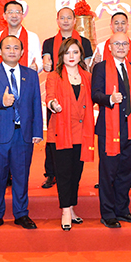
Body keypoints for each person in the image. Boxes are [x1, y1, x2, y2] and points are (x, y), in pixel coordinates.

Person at [0, 35, 43, 231]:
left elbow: (36, 104)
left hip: (22, 135)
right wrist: (1, 100)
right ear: (0, 51)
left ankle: (21, 213)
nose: (12, 51)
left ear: (22, 52)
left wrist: (37, 131)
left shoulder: (31, 75)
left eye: (16, 48)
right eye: (7, 48)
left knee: (21, 176)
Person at [92, 33, 131, 228]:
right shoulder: (101, 68)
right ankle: (107, 213)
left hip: (130, 128)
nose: (121, 47)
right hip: (109, 128)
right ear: (110, 47)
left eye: (124, 44)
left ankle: (122, 210)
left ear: (129, 47)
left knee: (126, 172)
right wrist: (110, 99)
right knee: (108, 173)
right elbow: (95, 94)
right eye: (117, 44)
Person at [41, 7, 94, 190]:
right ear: (57, 20)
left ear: (74, 20)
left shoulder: (84, 42)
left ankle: (70, 176)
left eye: (68, 18)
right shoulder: (49, 42)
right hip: (57, 92)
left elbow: (87, 66)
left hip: (77, 90)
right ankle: (51, 173)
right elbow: (47, 64)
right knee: (54, 137)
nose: (65, 21)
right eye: (62, 18)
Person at [45, 38, 94, 230]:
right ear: (61, 56)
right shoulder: (54, 76)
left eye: (75, 52)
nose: (71, 56)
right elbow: (49, 97)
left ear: (81, 55)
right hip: (61, 132)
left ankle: (71, 207)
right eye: (67, 53)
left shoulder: (87, 76)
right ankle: (65, 210)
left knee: (76, 173)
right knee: (64, 173)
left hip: (82, 133)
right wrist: (53, 105)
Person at [0, 0, 43, 71]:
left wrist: (36, 67)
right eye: (10, 12)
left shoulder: (32, 37)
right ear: (4, 16)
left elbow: (39, 62)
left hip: (26, 76)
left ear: (22, 16)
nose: (14, 16)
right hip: (0, 77)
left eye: (17, 12)